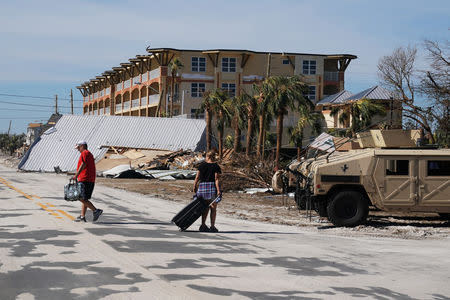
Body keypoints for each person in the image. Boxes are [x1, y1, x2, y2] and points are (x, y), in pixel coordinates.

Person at [72, 140, 103, 222]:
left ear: (82, 146)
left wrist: (76, 175)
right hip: (89, 179)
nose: (78, 149)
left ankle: (95, 211)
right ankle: (82, 216)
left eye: (78, 147)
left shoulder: (85, 153)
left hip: (85, 179)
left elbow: (83, 164)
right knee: (84, 198)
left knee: (80, 197)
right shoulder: (88, 153)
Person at [193, 150, 222, 232]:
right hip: (212, 188)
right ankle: (212, 226)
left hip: (202, 187)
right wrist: (218, 190)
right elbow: (216, 179)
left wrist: (194, 186)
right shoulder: (216, 166)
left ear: (208, 157)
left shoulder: (202, 165)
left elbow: (197, 177)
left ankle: (203, 225)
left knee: (205, 207)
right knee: (213, 208)